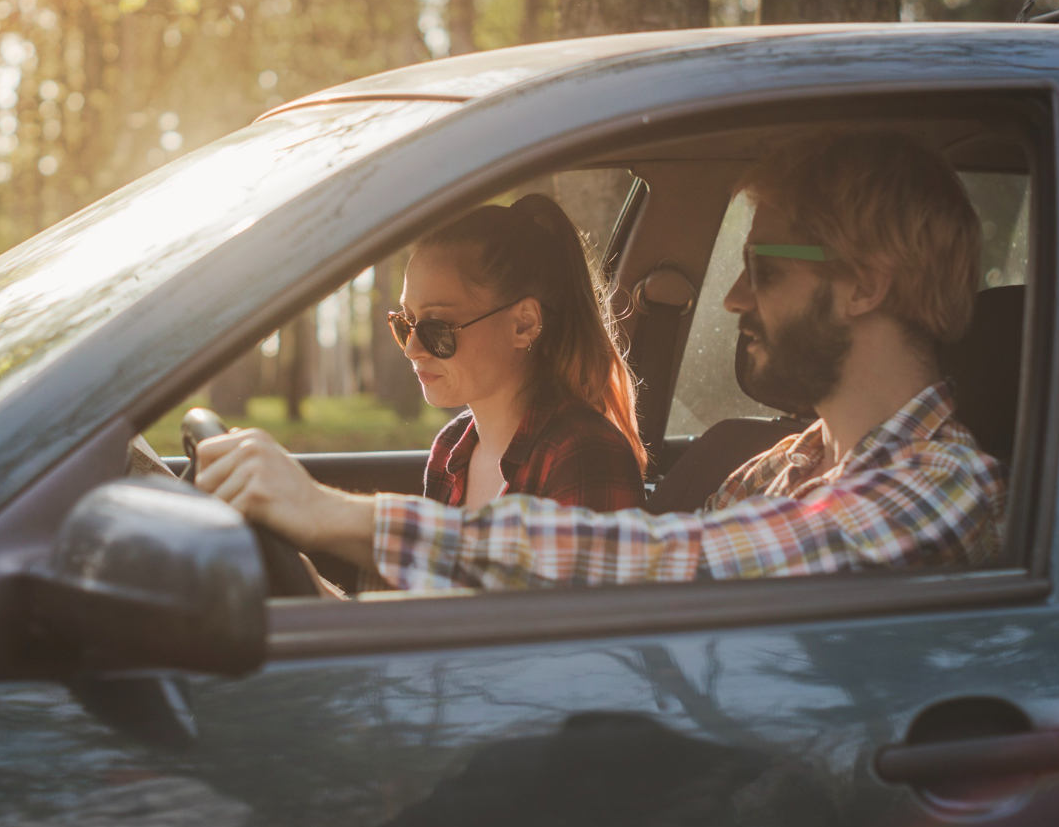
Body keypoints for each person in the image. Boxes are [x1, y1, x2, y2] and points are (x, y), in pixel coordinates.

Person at [195, 131, 1006, 590]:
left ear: (864, 284)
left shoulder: (941, 488)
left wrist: (340, 514)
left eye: (763, 270)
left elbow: (667, 566)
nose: (732, 300)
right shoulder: (780, 468)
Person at [392, 195, 645, 517]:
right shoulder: (452, 446)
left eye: (437, 327)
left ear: (523, 323)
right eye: (406, 323)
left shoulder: (584, 453)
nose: (412, 349)